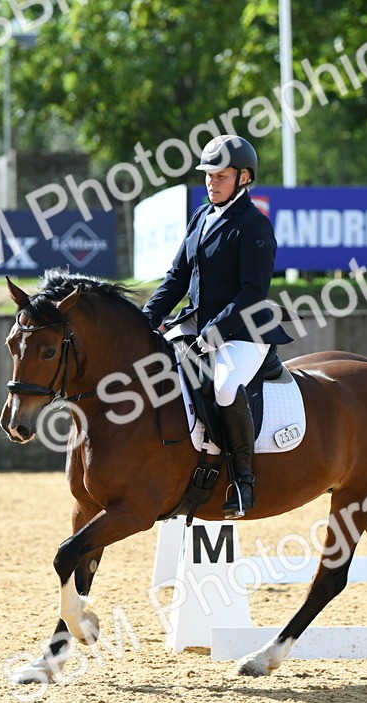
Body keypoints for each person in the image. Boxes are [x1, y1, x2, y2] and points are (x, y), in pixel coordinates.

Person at [142, 134, 293, 519]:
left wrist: (214, 332)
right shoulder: (201, 217)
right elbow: (176, 277)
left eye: (221, 175)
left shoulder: (254, 225)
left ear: (244, 177)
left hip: (244, 331)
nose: (212, 182)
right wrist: (146, 318)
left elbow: (252, 292)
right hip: (198, 324)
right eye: (209, 175)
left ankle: (243, 480)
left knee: (225, 388)